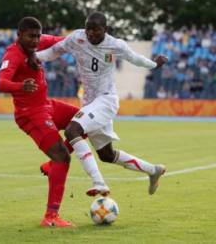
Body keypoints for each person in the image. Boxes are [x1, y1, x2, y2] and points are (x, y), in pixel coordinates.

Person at [36, 12, 168, 196]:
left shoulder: (115, 44)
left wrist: (154, 65)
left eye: (96, 29)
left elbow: (135, 58)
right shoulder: (77, 38)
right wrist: (35, 58)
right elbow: (55, 50)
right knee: (107, 155)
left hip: (106, 99)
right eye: (88, 28)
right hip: (90, 102)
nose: (91, 33)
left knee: (72, 130)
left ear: (105, 30)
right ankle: (153, 170)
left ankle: (99, 183)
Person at [0, 16, 80, 227]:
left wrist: (84, 38)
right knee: (63, 156)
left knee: (86, 120)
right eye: (30, 36)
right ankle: (51, 217)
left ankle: (51, 165)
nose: (35, 41)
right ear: (19, 35)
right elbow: (1, 83)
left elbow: (61, 40)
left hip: (46, 105)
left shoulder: (39, 42)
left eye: (37, 36)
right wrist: (20, 86)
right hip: (30, 114)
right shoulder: (12, 54)